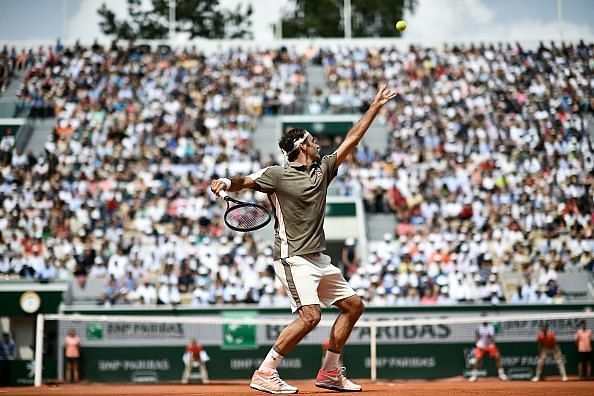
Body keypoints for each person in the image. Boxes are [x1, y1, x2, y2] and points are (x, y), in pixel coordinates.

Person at [211, 85, 398, 394]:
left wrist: (375, 106)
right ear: (301, 146)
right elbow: (245, 181)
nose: (318, 144)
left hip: (319, 258)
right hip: (292, 256)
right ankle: (264, 372)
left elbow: (352, 138)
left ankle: (329, 373)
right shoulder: (277, 174)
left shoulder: (323, 169)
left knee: (353, 306)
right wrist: (226, 182)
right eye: (312, 141)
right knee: (311, 315)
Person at [469, 316, 508, 382]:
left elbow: (492, 337)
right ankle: (474, 376)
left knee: (497, 357)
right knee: (477, 359)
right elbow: (476, 336)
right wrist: (478, 343)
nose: (485, 320)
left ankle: (501, 374)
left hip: (490, 345)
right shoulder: (478, 327)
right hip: (481, 346)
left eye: (486, 318)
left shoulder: (491, 327)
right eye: (483, 318)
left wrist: (488, 342)